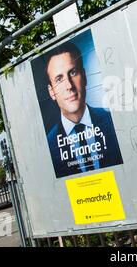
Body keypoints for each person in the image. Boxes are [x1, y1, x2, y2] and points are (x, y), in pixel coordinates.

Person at [45, 42, 123, 178]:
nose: (69, 85)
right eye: (59, 79)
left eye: (73, 73)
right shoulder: (49, 144)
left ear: (85, 76)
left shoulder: (113, 120)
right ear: (51, 92)